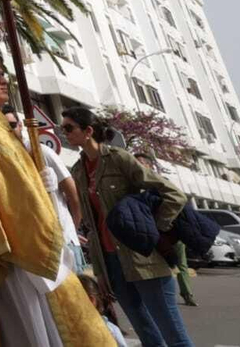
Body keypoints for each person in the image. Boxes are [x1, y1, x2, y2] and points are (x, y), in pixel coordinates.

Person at [0, 53, 110, 347]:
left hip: (26, 246)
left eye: (3, 73)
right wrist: (37, 188)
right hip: (22, 249)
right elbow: (7, 193)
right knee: (37, 331)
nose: (3, 79)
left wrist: (41, 187)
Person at [63, 107, 194, 347]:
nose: (65, 133)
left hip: (143, 257)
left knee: (174, 335)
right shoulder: (79, 170)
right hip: (111, 261)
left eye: (69, 128)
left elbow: (174, 194)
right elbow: (92, 227)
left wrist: (155, 228)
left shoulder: (119, 159)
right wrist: (100, 272)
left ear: (88, 131)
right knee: (147, 334)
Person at [5, 110, 85, 274]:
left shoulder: (41, 152)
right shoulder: (6, 158)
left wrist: (72, 230)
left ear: (20, 125)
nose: (9, 130)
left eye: (12, 125)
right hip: (34, 244)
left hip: (62, 240)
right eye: (3, 126)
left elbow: (73, 195)